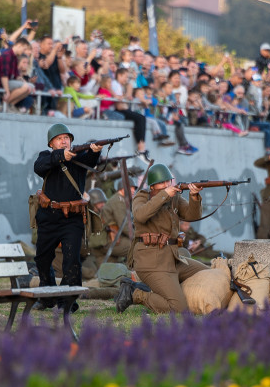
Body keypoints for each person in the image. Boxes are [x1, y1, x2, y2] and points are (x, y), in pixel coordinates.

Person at [115, 163, 209, 313]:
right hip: (151, 263)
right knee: (178, 308)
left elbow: (192, 215)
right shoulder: (142, 196)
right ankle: (135, 294)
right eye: (162, 182)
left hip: (172, 259)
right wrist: (165, 194)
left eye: (168, 181)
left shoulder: (174, 198)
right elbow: (140, 215)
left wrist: (194, 196)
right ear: (152, 186)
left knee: (207, 273)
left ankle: (167, 289)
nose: (167, 185)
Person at [33, 123, 102, 310]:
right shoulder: (45, 157)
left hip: (72, 218)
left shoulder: (79, 157)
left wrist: (95, 151)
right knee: (42, 258)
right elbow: (39, 167)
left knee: (72, 260)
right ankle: (46, 296)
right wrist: (60, 156)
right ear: (51, 144)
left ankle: (67, 300)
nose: (64, 141)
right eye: (60, 138)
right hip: (49, 216)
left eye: (67, 138)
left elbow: (90, 161)